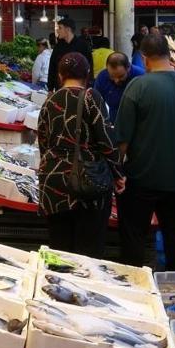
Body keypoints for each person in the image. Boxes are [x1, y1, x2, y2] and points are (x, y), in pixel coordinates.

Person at [115, 34, 175, 271]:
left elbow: (122, 141)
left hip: (141, 179)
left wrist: (116, 171)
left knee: (134, 237)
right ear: (169, 55)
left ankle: (135, 285)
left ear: (144, 58)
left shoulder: (137, 87)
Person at [37, 53, 124, 258]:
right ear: (87, 74)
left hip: (54, 185)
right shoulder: (91, 98)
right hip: (88, 184)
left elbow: (43, 143)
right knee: (88, 254)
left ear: (60, 75)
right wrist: (118, 174)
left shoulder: (49, 102)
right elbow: (106, 141)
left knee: (59, 253)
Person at [93, 52, 144, 123]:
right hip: (114, 121)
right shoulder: (102, 77)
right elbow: (96, 103)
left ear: (128, 68)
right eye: (112, 76)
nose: (116, 81)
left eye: (120, 76)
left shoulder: (141, 77)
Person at [47, 17, 93, 91]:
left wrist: (89, 86)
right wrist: (50, 88)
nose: (57, 30)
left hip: (79, 87)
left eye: (60, 28)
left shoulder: (83, 45)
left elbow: (89, 66)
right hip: (61, 87)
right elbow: (52, 67)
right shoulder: (58, 46)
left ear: (68, 29)